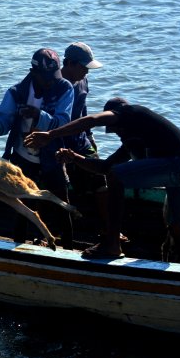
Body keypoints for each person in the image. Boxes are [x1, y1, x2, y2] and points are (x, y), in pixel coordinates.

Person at [24, 98, 180, 263]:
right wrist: (74, 158)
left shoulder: (129, 112)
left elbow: (93, 120)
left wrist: (51, 135)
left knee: (117, 176)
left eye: (115, 127)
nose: (116, 132)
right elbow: (104, 168)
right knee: (177, 228)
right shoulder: (135, 139)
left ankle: (112, 244)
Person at [0, 48, 74, 247]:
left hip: (52, 157)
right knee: (22, 205)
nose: (51, 81)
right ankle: (17, 245)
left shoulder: (64, 88)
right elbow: (3, 122)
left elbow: (63, 122)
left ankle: (68, 247)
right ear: (33, 73)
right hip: (23, 158)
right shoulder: (16, 92)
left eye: (53, 76)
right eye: (46, 77)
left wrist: (37, 115)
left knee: (62, 205)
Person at [60, 42, 117, 240]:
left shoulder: (83, 82)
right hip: (59, 143)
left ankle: (108, 228)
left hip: (81, 141)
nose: (86, 71)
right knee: (57, 184)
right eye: (83, 67)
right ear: (68, 63)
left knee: (101, 180)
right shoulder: (55, 84)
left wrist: (90, 137)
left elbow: (83, 111)